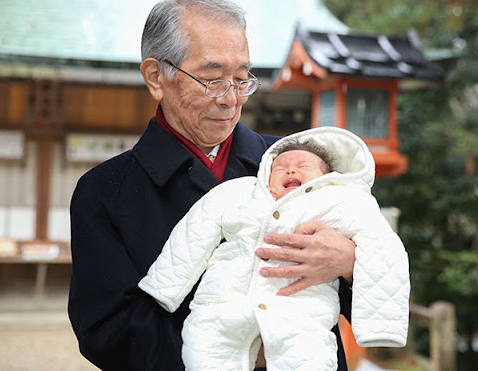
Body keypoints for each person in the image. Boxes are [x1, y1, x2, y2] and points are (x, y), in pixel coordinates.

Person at [68, 0, 357, 371]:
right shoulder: (104, 191)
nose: (231, 99)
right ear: (156, 77)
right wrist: (238, 355)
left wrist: (351, 265)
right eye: (212, 79)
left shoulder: (300, 167)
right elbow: (105, 330)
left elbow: (382, 286)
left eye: (241, 79)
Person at [138, 127, 410, 370]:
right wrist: (166, 285)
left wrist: (382, 325)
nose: (291, 170)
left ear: (327, 177)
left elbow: (383, 246)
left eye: (303, 165)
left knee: (309, 359)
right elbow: (196, 228)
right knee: (205, 350)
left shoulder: (340, 200)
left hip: (303, 311)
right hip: (224, 302)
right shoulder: (241, 192)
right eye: (280, 167)